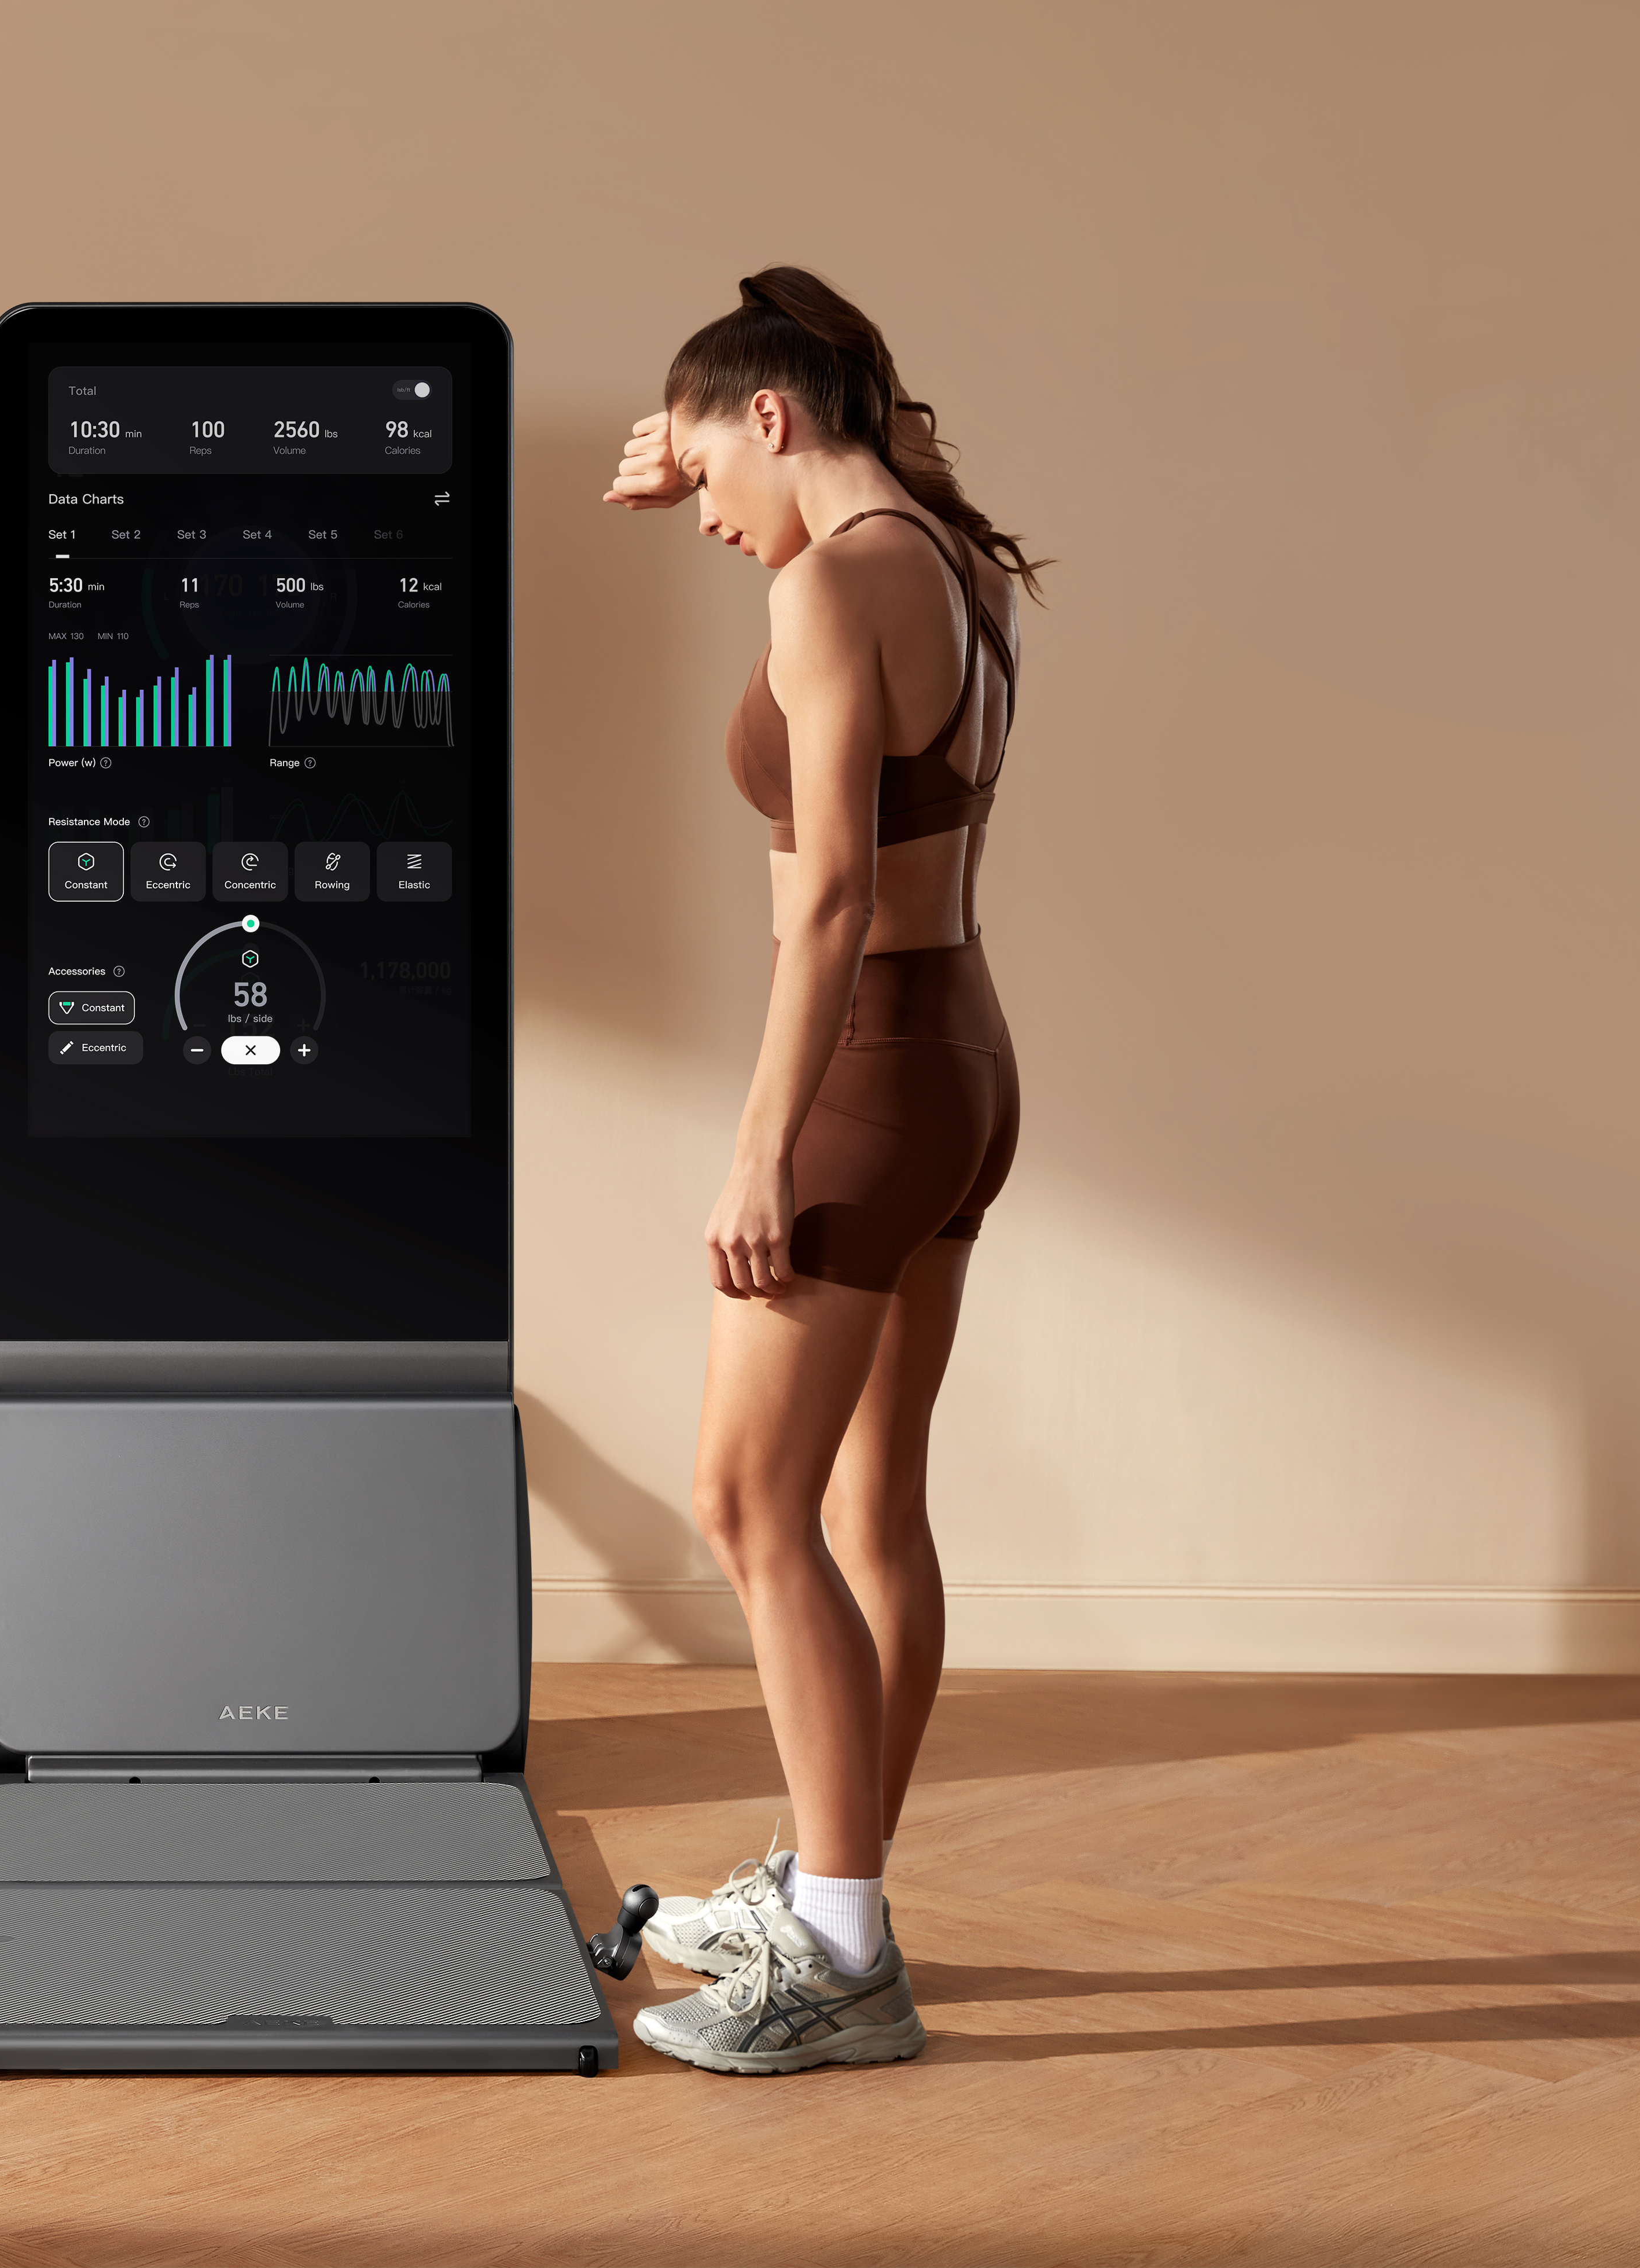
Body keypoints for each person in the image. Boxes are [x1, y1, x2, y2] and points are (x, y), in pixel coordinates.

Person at [601, 268, 1046, 2075]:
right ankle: (830, 1885)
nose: (706, 513)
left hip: (863, 1070)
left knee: (746, 1505)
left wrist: (756, 1150)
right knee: (870, 1514)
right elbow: (855, 456)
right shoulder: (951, 556)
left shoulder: (825, 581)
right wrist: (707, 459)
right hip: (965, 1061)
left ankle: (843, 1957)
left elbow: (834, 896)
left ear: (773, 417)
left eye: (712, 467)